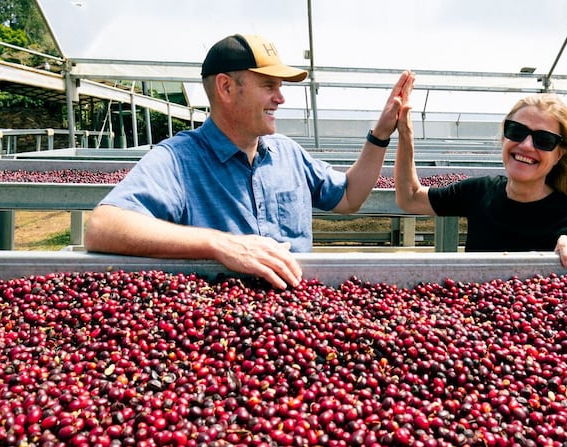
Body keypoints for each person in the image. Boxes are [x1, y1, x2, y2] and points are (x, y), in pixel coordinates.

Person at [84, 33, 414, 289]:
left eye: (281, 86)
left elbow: (348, 196)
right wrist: (220, 245)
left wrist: (382, 132)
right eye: (268, 85)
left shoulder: (287, 153)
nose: (281, 97)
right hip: (224, 331)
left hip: (298, 325)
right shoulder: (178, 160)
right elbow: (103, 227)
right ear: (226, 88)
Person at [394, 85, 567, 272]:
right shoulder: (480, 192)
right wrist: (405, 134)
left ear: (558, 154)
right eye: (517, 131)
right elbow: (410, 198)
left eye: (544, 140)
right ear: (504, 137)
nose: (526, 145)